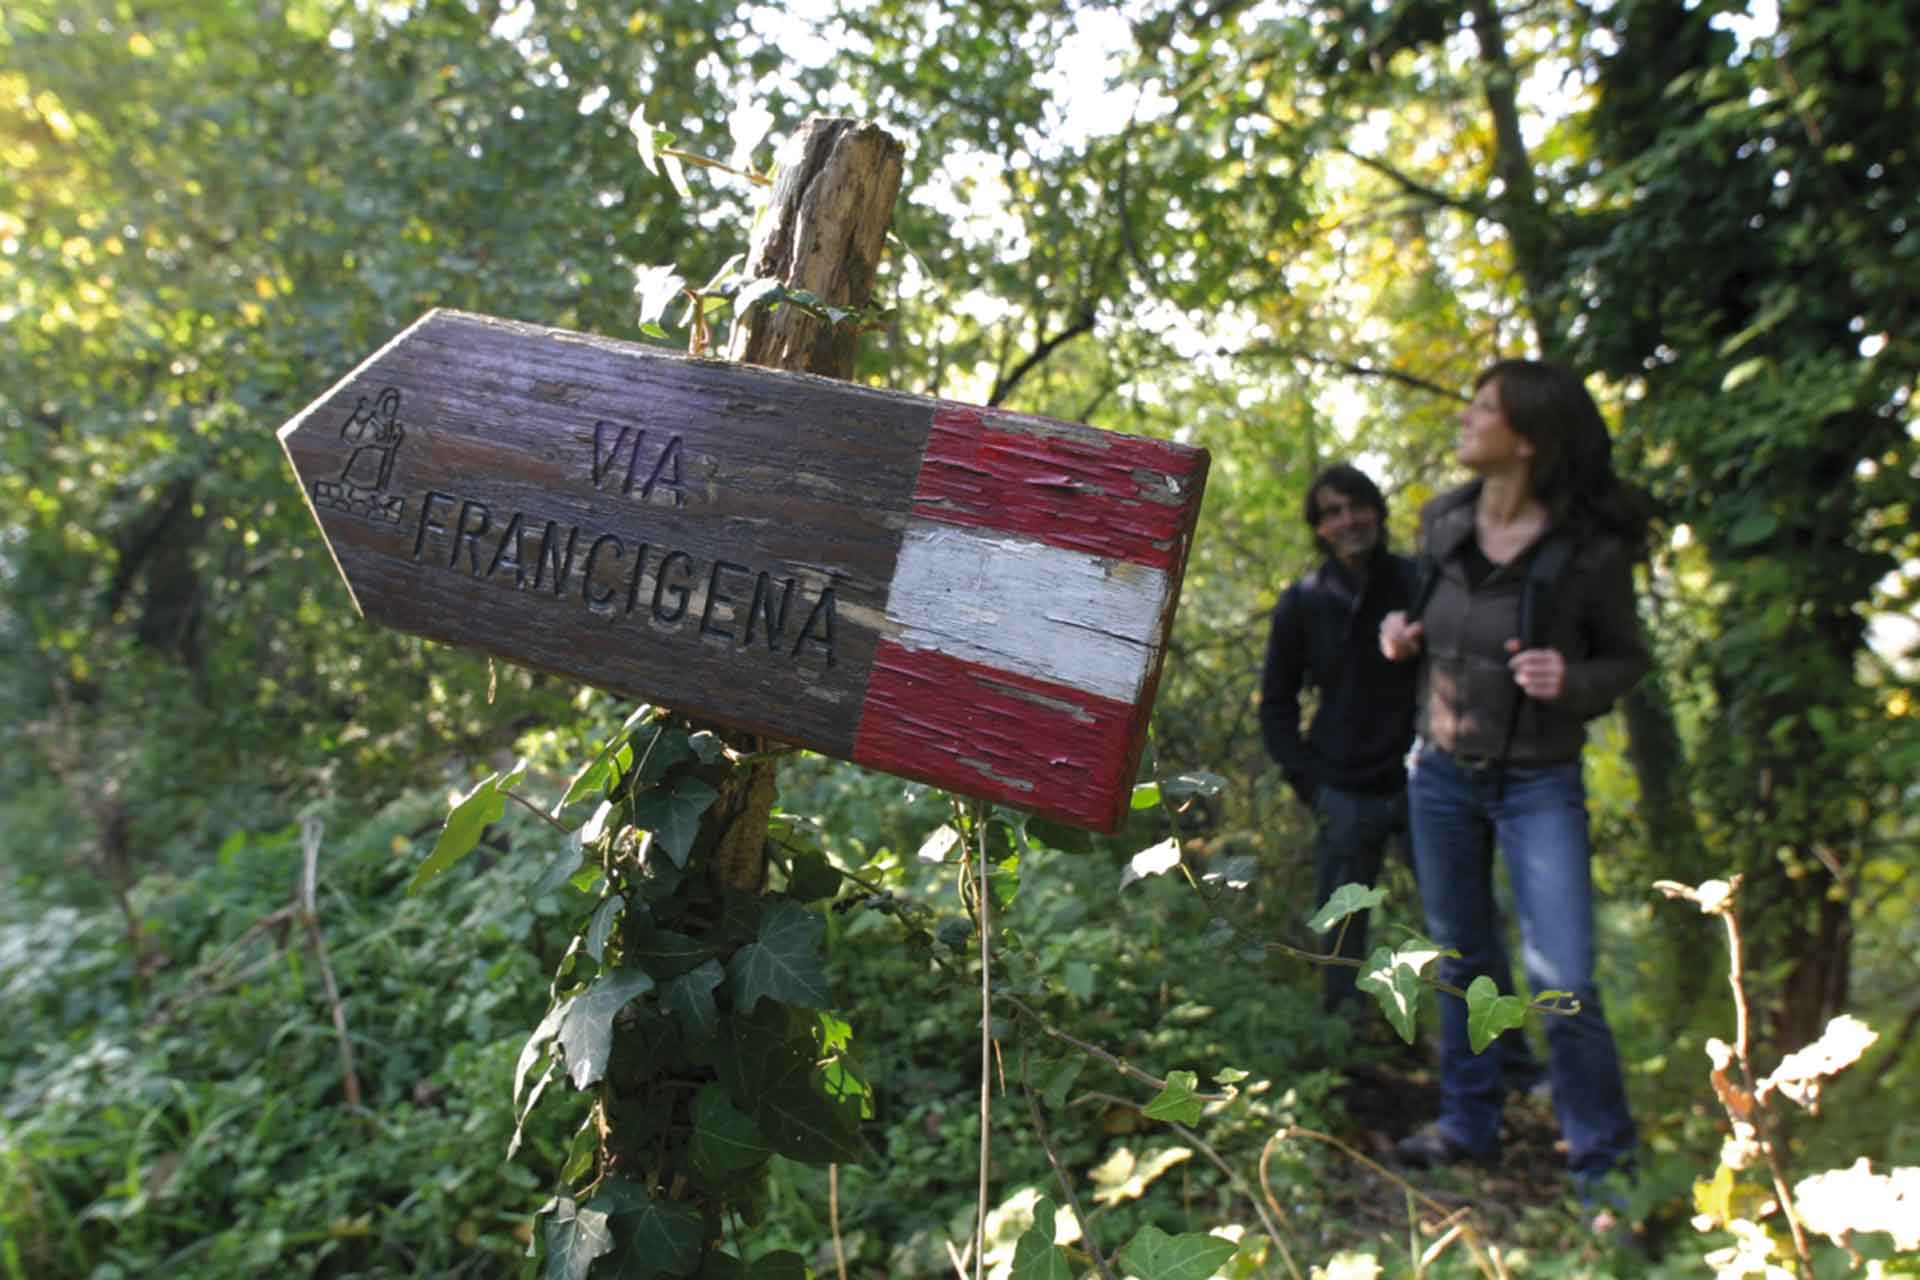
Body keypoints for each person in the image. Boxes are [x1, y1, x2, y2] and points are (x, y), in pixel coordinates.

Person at [1379, 359, 1647, 1191]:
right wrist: (1401, 633)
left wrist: (1571, 681)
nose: (1465, 418)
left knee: (1562, 978)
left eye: (1483, 407)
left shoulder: (1586, 553)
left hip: (1538, 784)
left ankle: (1603, 1166)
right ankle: (1469, 1122)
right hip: (1439, 776)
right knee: (1463, 961)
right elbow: (1426, 619)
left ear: (1526, 439)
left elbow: (1627, 660)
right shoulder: (1442, 522)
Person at [1260, 463, 1543, 1084]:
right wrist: (1309, 783)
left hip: (1427, 783)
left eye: (1356, 506)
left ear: (1378, 512)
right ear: (1318, 528)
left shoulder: (1420, 581)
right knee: (1339, 932)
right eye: (1331, 512)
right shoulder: (1304, 600)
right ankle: (1343, 1064)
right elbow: (1276, 703)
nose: (1347, 520)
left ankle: (1505, 1060)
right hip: (1342, 788)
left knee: (1467, 922)